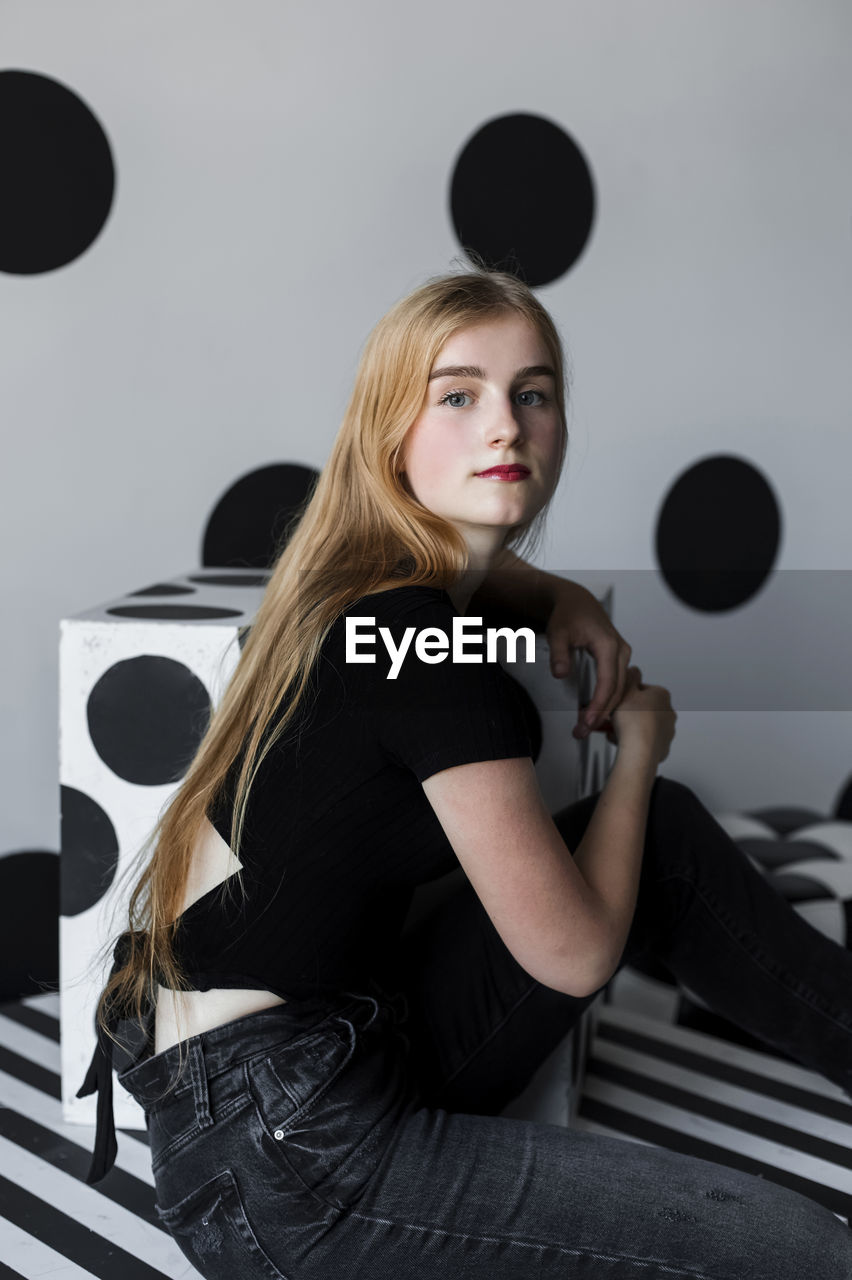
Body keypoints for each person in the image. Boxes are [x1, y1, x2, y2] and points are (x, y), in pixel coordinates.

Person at [79, 265, 852, 1278]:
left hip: (278, 1080)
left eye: (533, 393)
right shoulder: (433, 656)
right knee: (797, 1247)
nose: (507, 425)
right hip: (292, 1158)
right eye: (459, 394)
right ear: (391, 434)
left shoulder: (356, 590)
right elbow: (573, 957)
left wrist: (558, 593)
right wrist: (638, 752)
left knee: (656, 834)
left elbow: (470, 572)